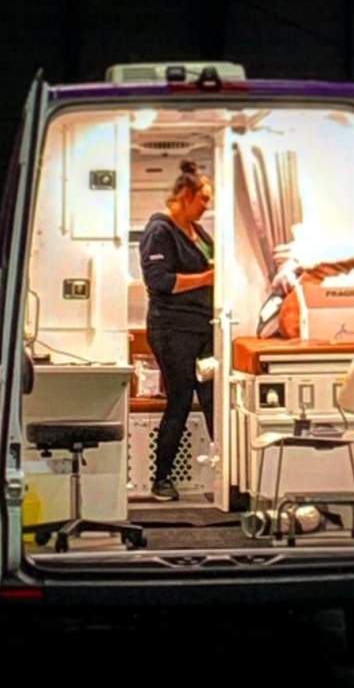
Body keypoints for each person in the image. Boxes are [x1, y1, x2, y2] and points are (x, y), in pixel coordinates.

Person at [140, 160, 216, 501]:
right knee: (181, 399)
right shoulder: (161, 231)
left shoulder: (198, 233)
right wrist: (205, 279)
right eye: (204, 199)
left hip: (203, 326)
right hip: (172, 328)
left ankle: (228, 474)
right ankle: (162, 479)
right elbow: (160, 281)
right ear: (186, 195)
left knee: (215, 399)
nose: (207, 206)